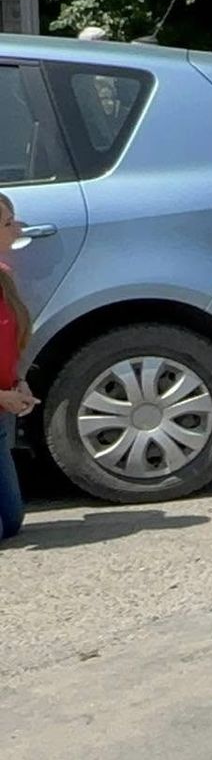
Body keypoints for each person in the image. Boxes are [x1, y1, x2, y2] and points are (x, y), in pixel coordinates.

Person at [0, 193, 40, 541]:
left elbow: (12, 344)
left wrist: (19, 382)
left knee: (11, 523)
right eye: (7, 224)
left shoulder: (4, 278)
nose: (18, 230)